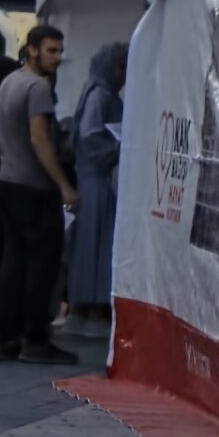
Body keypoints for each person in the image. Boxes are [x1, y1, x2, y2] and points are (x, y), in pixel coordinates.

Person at [0, 25, 77, 363]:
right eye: (51, 50)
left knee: (13, 264)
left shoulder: (10, 82)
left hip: (8, 181)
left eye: (59, 51)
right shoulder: (37, 88)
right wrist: (64, 185)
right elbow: (40, 139)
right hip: (34, 188)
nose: (57, 57)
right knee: (41, 267)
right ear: (33, 49)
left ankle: (7, 338)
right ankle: (36, 339)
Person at [66, 41, 125, 339]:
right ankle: (92, 305)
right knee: (96, 245)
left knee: (92, 244)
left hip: (95, 179)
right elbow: (90, 139)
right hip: (97, 180)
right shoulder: (100, 96)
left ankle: (87, 305)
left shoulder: (98, 93)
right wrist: (118, 146)